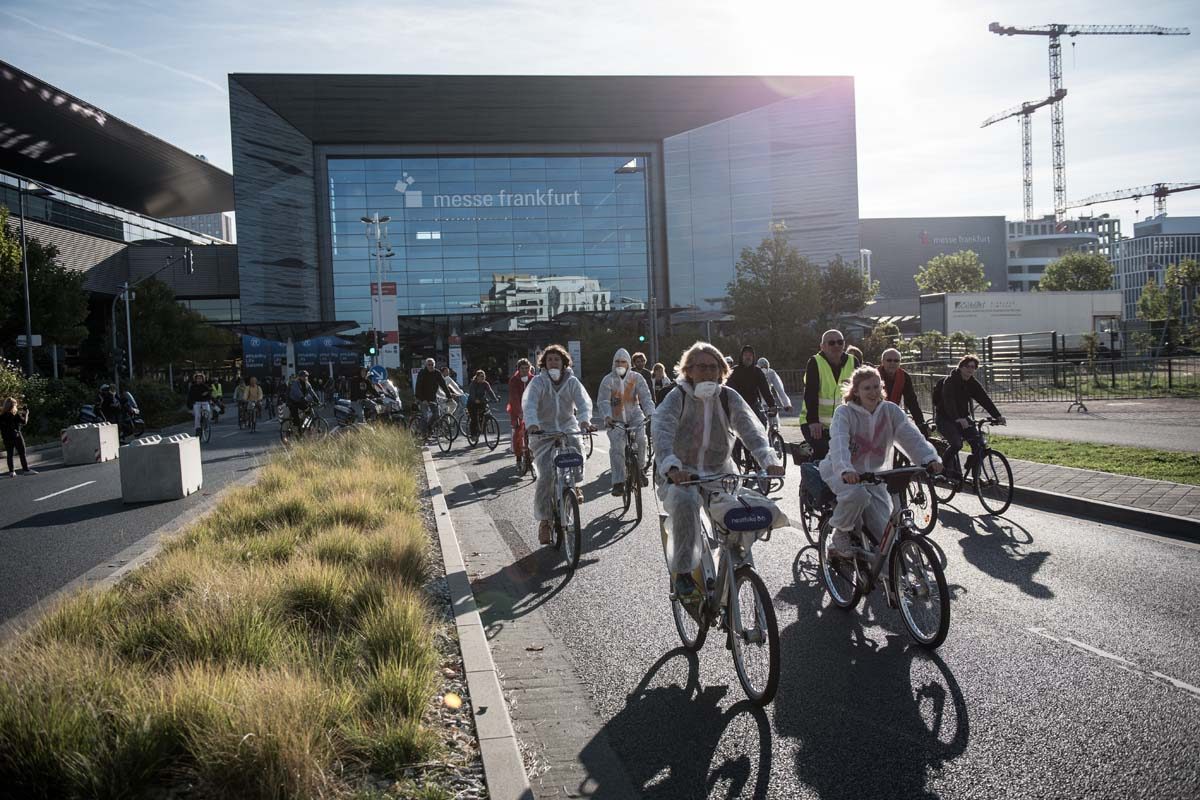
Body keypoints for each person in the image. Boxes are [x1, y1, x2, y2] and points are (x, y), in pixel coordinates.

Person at [653, 342, 784, 601]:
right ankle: (683, 574)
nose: (708, 373)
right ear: (689, 370)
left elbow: (750, 430)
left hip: (720, 474)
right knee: (685, 502)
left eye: (713, 367)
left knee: (738, 517)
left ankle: (734, 575)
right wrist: (671, 465)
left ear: (721, 371)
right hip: (682, 475)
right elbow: (662, 430)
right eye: (701, 367)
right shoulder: (677, 397)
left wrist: (768, 459)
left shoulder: (727, 396)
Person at [821, 366, 942, 558]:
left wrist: (929, 458)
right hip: (841, 472)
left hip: (876, 475)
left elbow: (911, 437)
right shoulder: (844, 413)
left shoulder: (890, 411)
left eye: (876, 387)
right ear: (856, 391)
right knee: (857, 496)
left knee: (886, 537)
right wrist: (845, 469)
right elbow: (839, 443)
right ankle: (840, 533)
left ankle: (892, 580)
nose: (873, 392)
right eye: (867, 388)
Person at [523, 344, 595, 545]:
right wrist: (533, 424)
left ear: (564, 362)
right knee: (546, 475)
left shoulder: (572, 382)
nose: (553, 362)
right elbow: (529, 404)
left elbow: (583, 403)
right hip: (543, 431)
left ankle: (575, 486)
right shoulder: (538, 382)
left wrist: (584, 420)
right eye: (549, 359)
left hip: (567, 427)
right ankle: (545, 521)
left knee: (577, 452)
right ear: (544, 364)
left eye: (557, 359)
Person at [935, 355, 1005, 483]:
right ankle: (942, 471)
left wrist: (997, 416)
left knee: (979, 445)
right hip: (944, 418)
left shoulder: (972, 383)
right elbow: (948, 402)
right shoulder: (950, 381)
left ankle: (976, 478)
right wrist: (957, 418)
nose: (970, 369)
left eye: (973, 367)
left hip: (963, 418)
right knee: (956, 444)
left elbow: (984, 399)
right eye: (967, 366)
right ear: (961, 367)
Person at [598, 348, 655, 497]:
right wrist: (607, 416)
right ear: (613, 363)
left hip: (635, 414)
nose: (620, 364)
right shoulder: (608, 380)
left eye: (623, 361)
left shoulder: (637, 378)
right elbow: (603, 401)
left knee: (642, 440)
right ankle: (618, 482)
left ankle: (640, 470)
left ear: (628, 363)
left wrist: (650, 413)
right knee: (617, 447)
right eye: (617, 361)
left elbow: (645, 397)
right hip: (615, 419)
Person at [803, 329, 857, 461]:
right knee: (823, 453)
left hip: (842, 424)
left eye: (840, 342)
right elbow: (811, 393)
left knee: (852, 455)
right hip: (815, 422)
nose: (836, 346)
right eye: (831, 343)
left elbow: (859, 394)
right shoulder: (815, 362)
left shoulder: (853, 361)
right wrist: (813, 421)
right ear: (822, 346)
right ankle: (810, 479)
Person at [726, 345, 775, 466]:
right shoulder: (734, 372)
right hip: (738, 406)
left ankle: (759, 454)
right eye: (745, 355)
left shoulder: (757, 371)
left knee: (762, 424)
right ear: (741, 357)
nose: (748, 357)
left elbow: (765, 389)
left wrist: (772, 404)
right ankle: (737, 461)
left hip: (753, 404)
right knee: (737, 433)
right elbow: (730, 390)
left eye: (750, 355)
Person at [878, 348, 931, 439]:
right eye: (889, 360)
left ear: (899, 363)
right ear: (882, 361)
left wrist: (920, 422)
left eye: (896, 361)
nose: (892, 363)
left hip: (893, 415)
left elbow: (911, 401)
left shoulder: (904, 377)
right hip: (874, 416)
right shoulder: (873, 375)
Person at [507, 359, 534, 465]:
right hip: (516, 409)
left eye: (527, 368)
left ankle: (533, 453)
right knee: (518, 433)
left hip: (531, 409)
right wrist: (519, 412)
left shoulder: (533, 379)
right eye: (522, 368)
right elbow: (514, 397)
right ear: (518, 369)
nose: (525, 370)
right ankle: (518, 457)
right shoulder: (514, 380)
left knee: (534, 432)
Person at [1, 398, 36, 476]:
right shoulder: (14, 415)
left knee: (9, 454)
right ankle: (26, 470)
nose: (16, 406)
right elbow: (24, 422)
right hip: (16, 436)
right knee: (22, 453)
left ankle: (11, 472)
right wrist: (26, 414)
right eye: (15, 404)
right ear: (13, 405)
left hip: (6, 438)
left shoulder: (1, 416)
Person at [415, 358, 452, 427]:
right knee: (425, 416)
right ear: (426, 365)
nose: (431, 366)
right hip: (423, 397)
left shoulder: (437, 373)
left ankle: (429, 428)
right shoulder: (422, 373)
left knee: (436, 415)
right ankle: (423, 433)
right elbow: (418, 387)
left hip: (432, 397)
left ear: (434, 365)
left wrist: (449, 396)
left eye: (432, 365)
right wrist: (422, 399)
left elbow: (443, 385)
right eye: (429, 365)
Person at [466, 370, 499, 438]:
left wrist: (495, 399)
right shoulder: (473, 384)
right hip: (472, 403)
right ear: (477, 377)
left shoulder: (485, 383)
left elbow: (490, 391)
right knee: (474, 418)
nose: (483, 378)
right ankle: (473, 434)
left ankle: (481, 427)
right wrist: (475, 400)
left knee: (484, 414)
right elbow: (472, 394)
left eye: (484, 376)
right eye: (481, 376)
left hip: (481, 402)